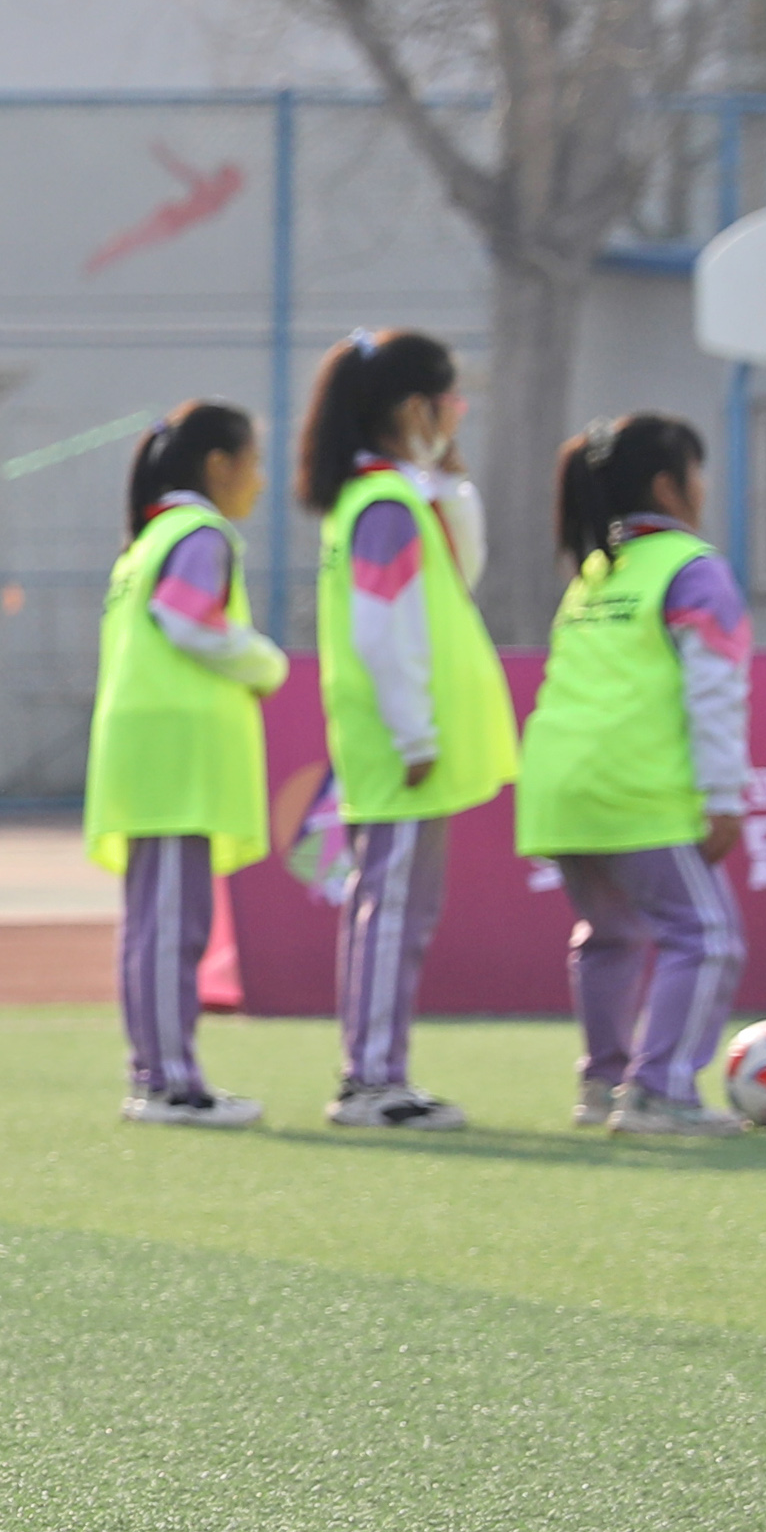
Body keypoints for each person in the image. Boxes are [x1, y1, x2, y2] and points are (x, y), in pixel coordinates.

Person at [303, 328, 514, 1130]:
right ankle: (370, 1080)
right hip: (397, 744)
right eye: (447, 400)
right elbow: (378, 630)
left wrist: (449, 481)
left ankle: (378, 1071)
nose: (457, 414)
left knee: (397, 909)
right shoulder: (382, 506)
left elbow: (461, 569)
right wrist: (415, 735)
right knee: (388, 909)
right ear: (411, 407)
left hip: (400, 739)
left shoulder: (394, 497)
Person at [518, 413, 751, 1136]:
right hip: (637, 789)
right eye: (696, 471)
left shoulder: (593, 572)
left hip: (560, 788)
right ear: (666, 483)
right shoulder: (691, 567)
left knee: (609, 932)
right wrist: (721, 795)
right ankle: (659, 1091)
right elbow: (714, 690)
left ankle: (603, 1083)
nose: (703, 487)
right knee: (705, 937)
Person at [85, 402, 290, 1129]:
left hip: (140, 749)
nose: (259, 481)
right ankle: (170, 1081)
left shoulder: (144, 538)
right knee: (173, 924)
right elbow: (186, 619)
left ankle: (157, 1073)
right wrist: (263, 661)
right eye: (253, 461)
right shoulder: (198, 532)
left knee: (150, 922)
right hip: (175, 755)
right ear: (216, 465)